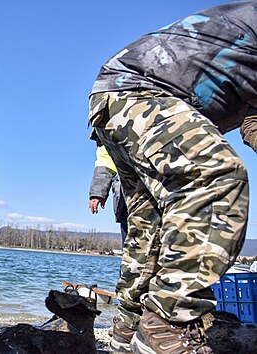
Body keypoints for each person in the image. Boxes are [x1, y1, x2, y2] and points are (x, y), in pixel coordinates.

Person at [88, 2, 256, 353]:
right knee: (216, 177)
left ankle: (129, 325)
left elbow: (252, 123)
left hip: (114, 96)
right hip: (142, 91)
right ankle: (168, 323)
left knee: (149, 219)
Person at [88, 144, 127, 245]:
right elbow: (106, 158)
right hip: (128, 200)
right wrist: (98, 192)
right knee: (133, 252)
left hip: (166, 196)